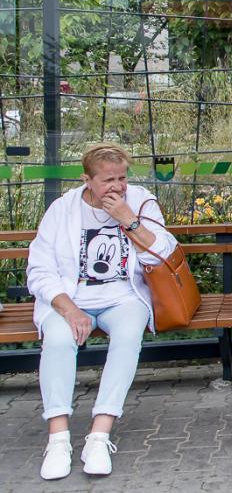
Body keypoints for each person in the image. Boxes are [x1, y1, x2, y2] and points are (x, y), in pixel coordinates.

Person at [27, 144, 178, 480]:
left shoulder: (140, 201)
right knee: (58, 340)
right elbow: (39, 270)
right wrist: (70, 310)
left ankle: (99, 435)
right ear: (87, 180)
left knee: (128, 335)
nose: (118, 187)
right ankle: (58, 439)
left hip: (123, 296)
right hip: (70, 299)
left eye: (122, 178)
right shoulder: (63, 209)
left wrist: (129, 220)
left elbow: (163, 254)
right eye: (108, 180)